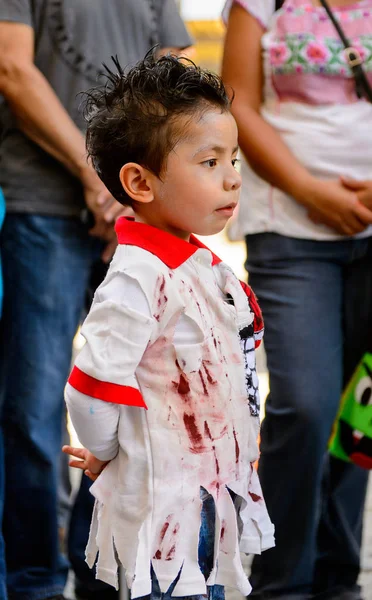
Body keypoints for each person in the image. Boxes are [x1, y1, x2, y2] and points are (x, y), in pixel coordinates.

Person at [62, 52, 275, 600]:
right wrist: (110, 453)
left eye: (234, 160)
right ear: (140, 181)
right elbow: (89, 386)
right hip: (165, 509)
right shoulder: (137, 276)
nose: (231, 179)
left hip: (209, 494)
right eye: (209, 163)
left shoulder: (193, 262)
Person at [0, 2, 191, 599]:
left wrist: (140, 187)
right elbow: (12, 69)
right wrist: (98, 172)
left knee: (135, 404)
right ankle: (32, 579)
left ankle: (98, 571)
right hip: (41, 203)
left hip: (134, 210)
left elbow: (176, 74)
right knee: (31, 407)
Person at [221, 1, 372, 599]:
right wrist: (310, 190)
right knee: (306, 406)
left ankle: (338, 580)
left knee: (357, 408)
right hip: (290, 228)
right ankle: (283, 584)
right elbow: (238, 103)